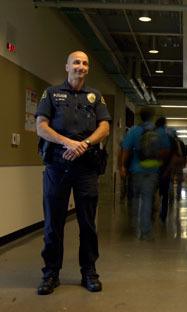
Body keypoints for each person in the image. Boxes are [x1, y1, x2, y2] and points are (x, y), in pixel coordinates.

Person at [35, 51, 111, 295]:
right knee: (53, 224)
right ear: (67, 66)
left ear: (88, 69)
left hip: (86, 168)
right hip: (57, 166)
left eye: (85, 63)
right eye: (76, 62)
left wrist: (85, 144)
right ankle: (50, 274)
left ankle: (89, 272)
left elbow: (105, 127)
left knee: (87, 224)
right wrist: (68, 143)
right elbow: (41, 126)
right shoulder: (51, 94)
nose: (80, 66)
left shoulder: (95, 97)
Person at [121, 109, 160, 240]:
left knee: (135, 198)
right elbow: (165, 150)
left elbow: (125, 149)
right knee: (147, 199)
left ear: (140, 118)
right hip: (152, 170)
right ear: (152, 117)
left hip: (136, 169)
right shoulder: (158, 132)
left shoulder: (133, 131)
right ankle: (145, 231)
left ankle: (132, 226)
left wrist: (122, 166)